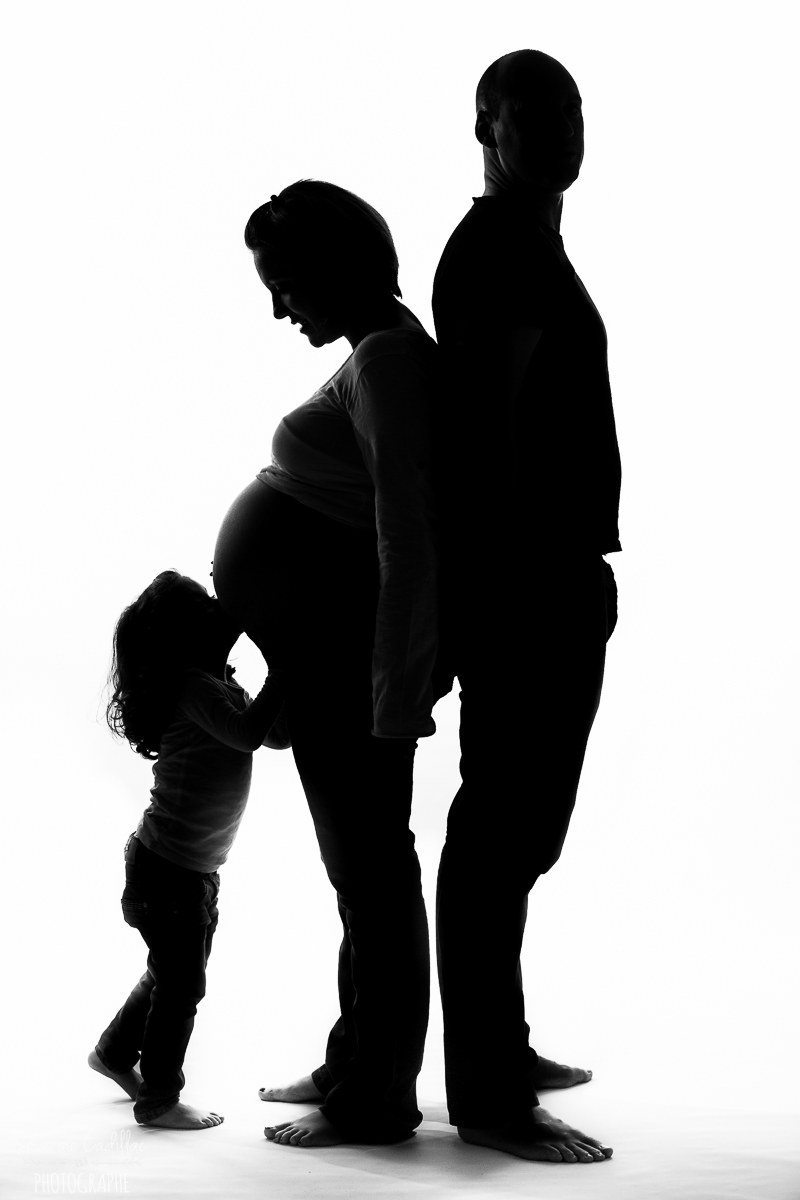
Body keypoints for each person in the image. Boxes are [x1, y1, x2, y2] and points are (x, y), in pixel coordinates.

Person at [211, 181, 439, 1147]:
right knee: (361, 876)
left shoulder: (385, 360)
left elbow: (408, 535)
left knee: (373, 877)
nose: (280, 308)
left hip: (355, 665)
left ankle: (376, 1098)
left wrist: (398, 690)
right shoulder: (378, 352)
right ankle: (356, 1061)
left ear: (340, 266)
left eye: (289, 283)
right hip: (332, 654)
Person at [431, 49, 621, 1163]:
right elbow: (486, 441)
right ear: (485, 127)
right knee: (499, 838)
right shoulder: (502, 247)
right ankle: (491, 1096)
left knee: (516, 836)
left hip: (550, 577)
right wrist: (505, 593)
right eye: (533, 112)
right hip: (526, 585)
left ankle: (498, 1047)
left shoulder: (527, 243)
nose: (560, 127)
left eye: (572, 109)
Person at [90, 570, 288, 1129]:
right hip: (167, 869)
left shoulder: (218, 684)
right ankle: (158, 1099)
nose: (221, 608)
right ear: (184, 636)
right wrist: (283, 668)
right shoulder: (191, 687)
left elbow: (274, 735)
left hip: (190, 869)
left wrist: (278, 676)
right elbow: (248, 733)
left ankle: (113, 1054)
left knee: (169, 973)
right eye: (206, 607)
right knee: (182, 985)